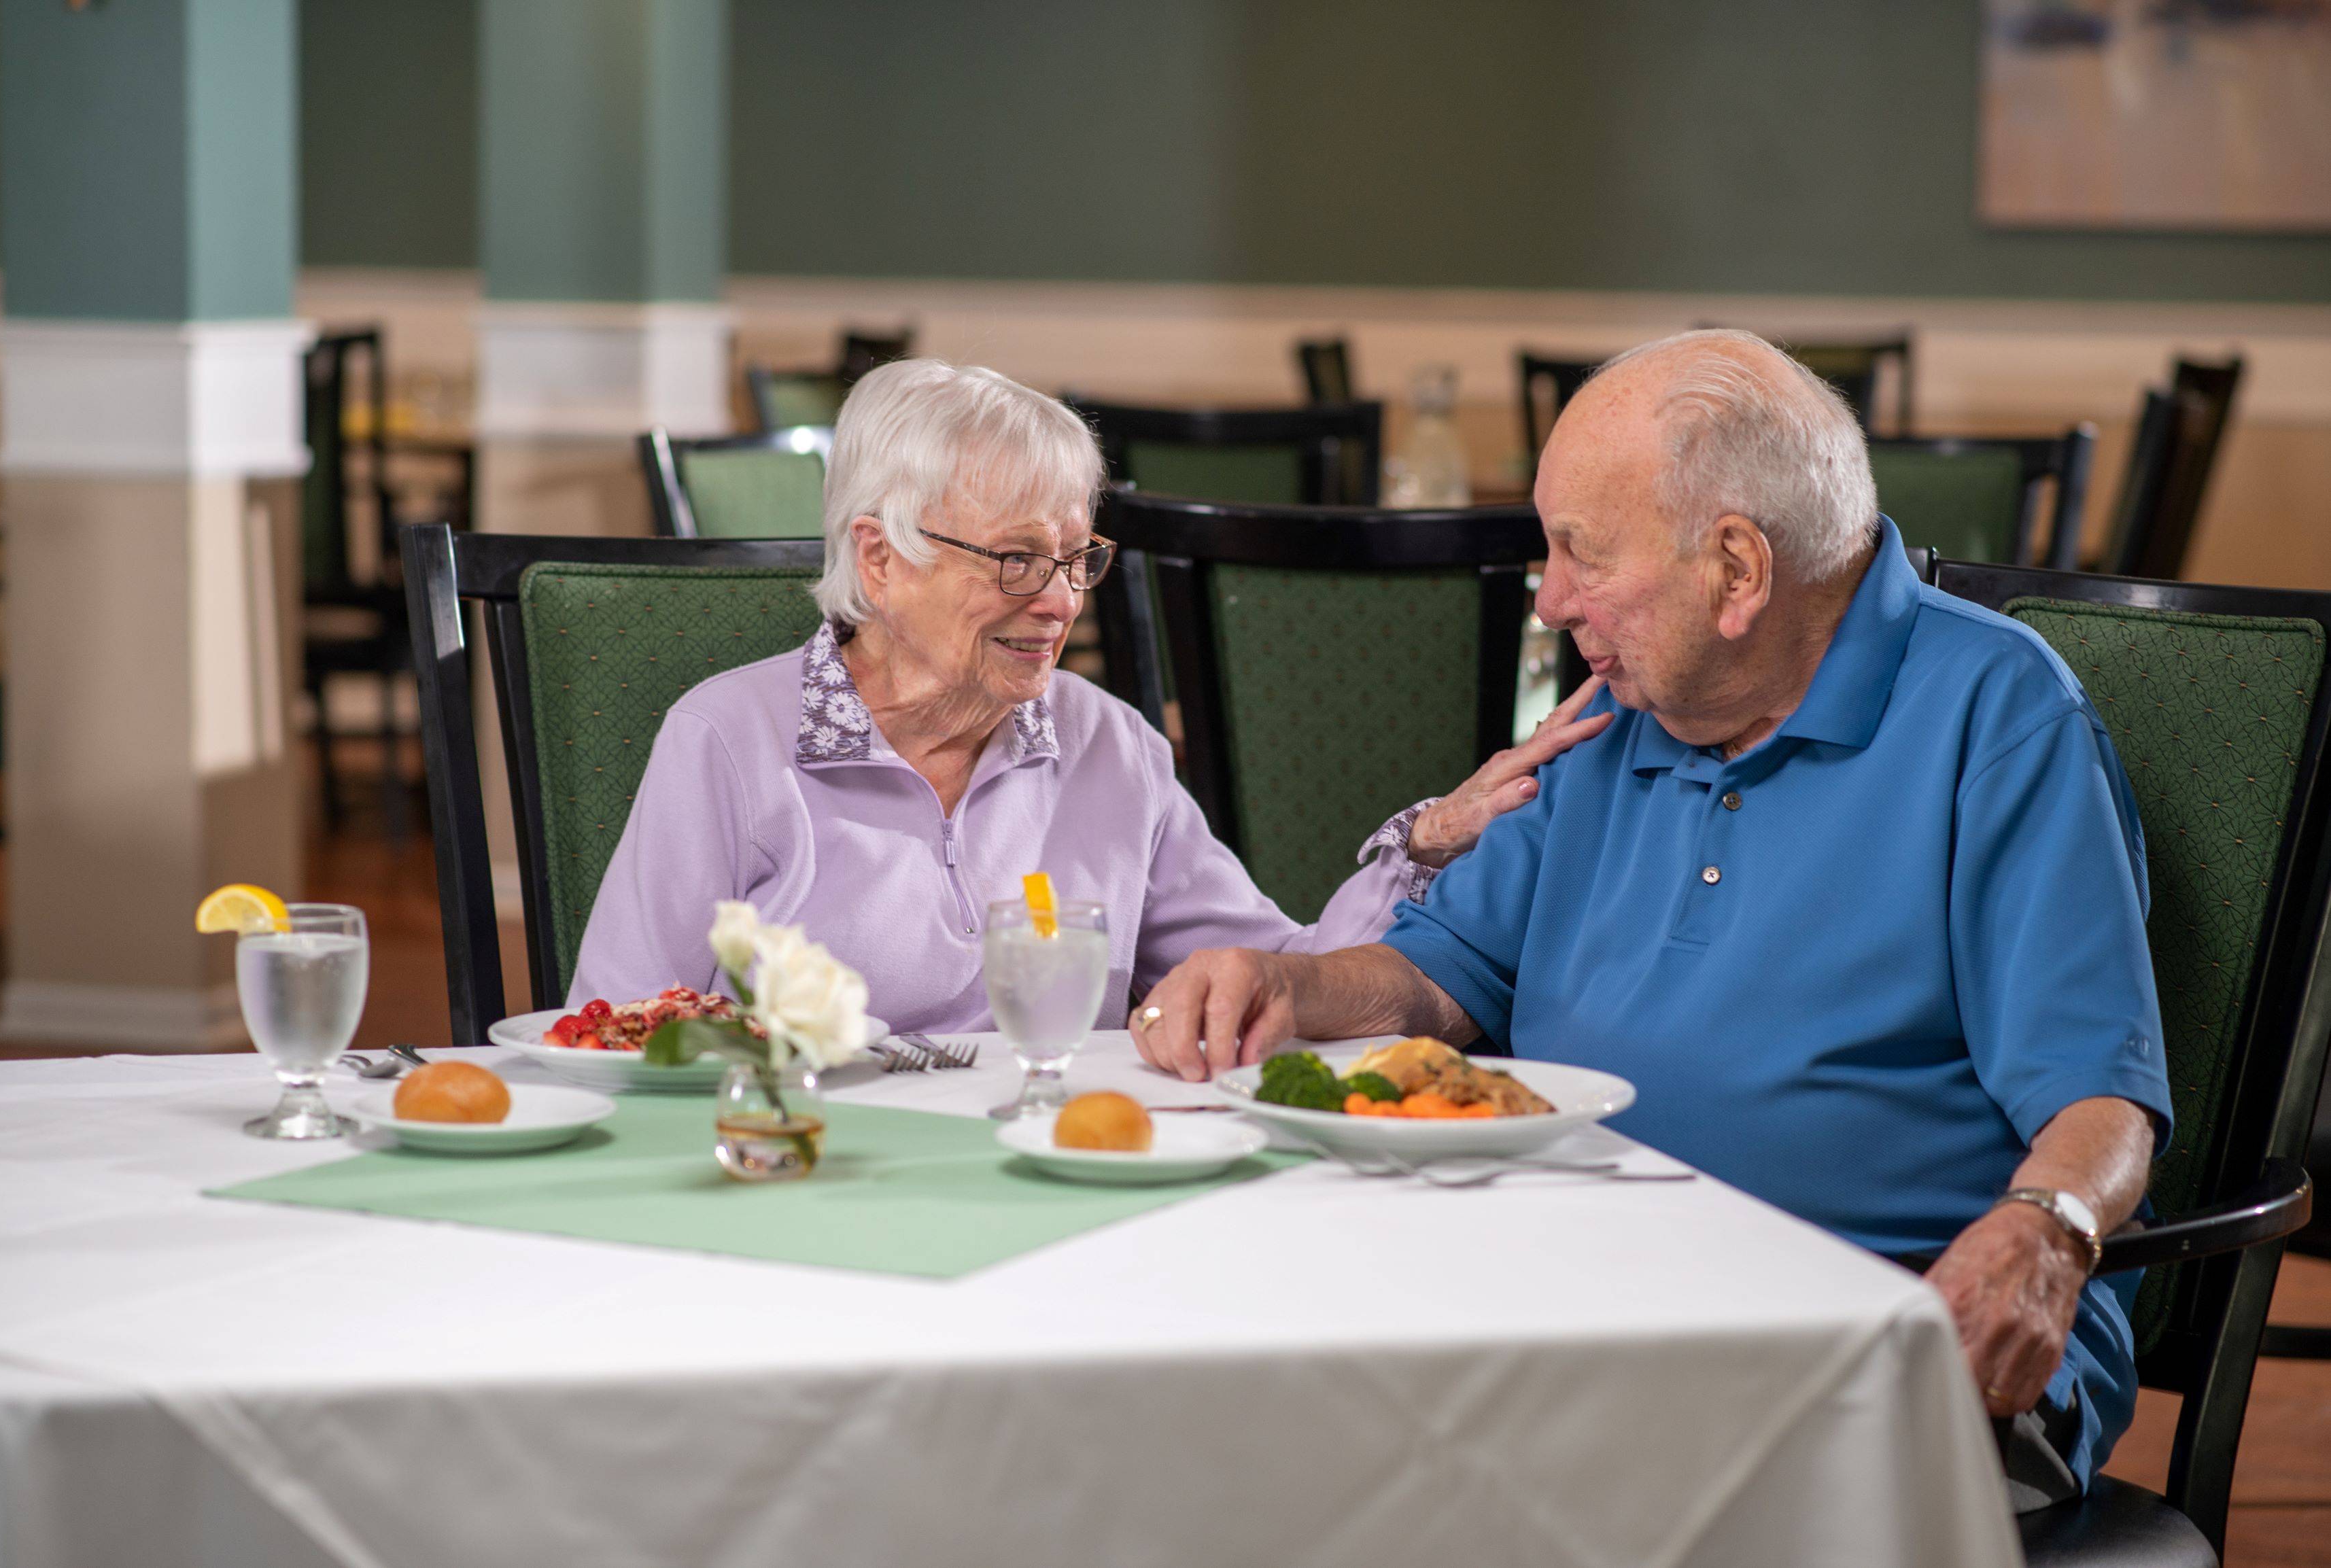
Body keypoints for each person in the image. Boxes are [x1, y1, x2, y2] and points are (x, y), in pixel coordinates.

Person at [1128, 330, 2173, 1509]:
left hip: (1871, 1346)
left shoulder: (1999, 719)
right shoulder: (1628, 712)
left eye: (1580, 553)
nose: (1551, 597)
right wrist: (1286, 985)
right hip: (1584, 1308)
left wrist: (2047, 1228)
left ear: (1736, 568)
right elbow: (1445, 971)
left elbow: (2105, 1099)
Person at [568, 358, 1608, 1031]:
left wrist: (1428, 841)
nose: (1061, 602)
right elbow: (618, 1025)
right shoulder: (730, 741)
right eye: (1016, 560)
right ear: (880, 561)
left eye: (1078, 559)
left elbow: (1282, 973)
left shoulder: (1105, 744)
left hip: (1071, 1182)